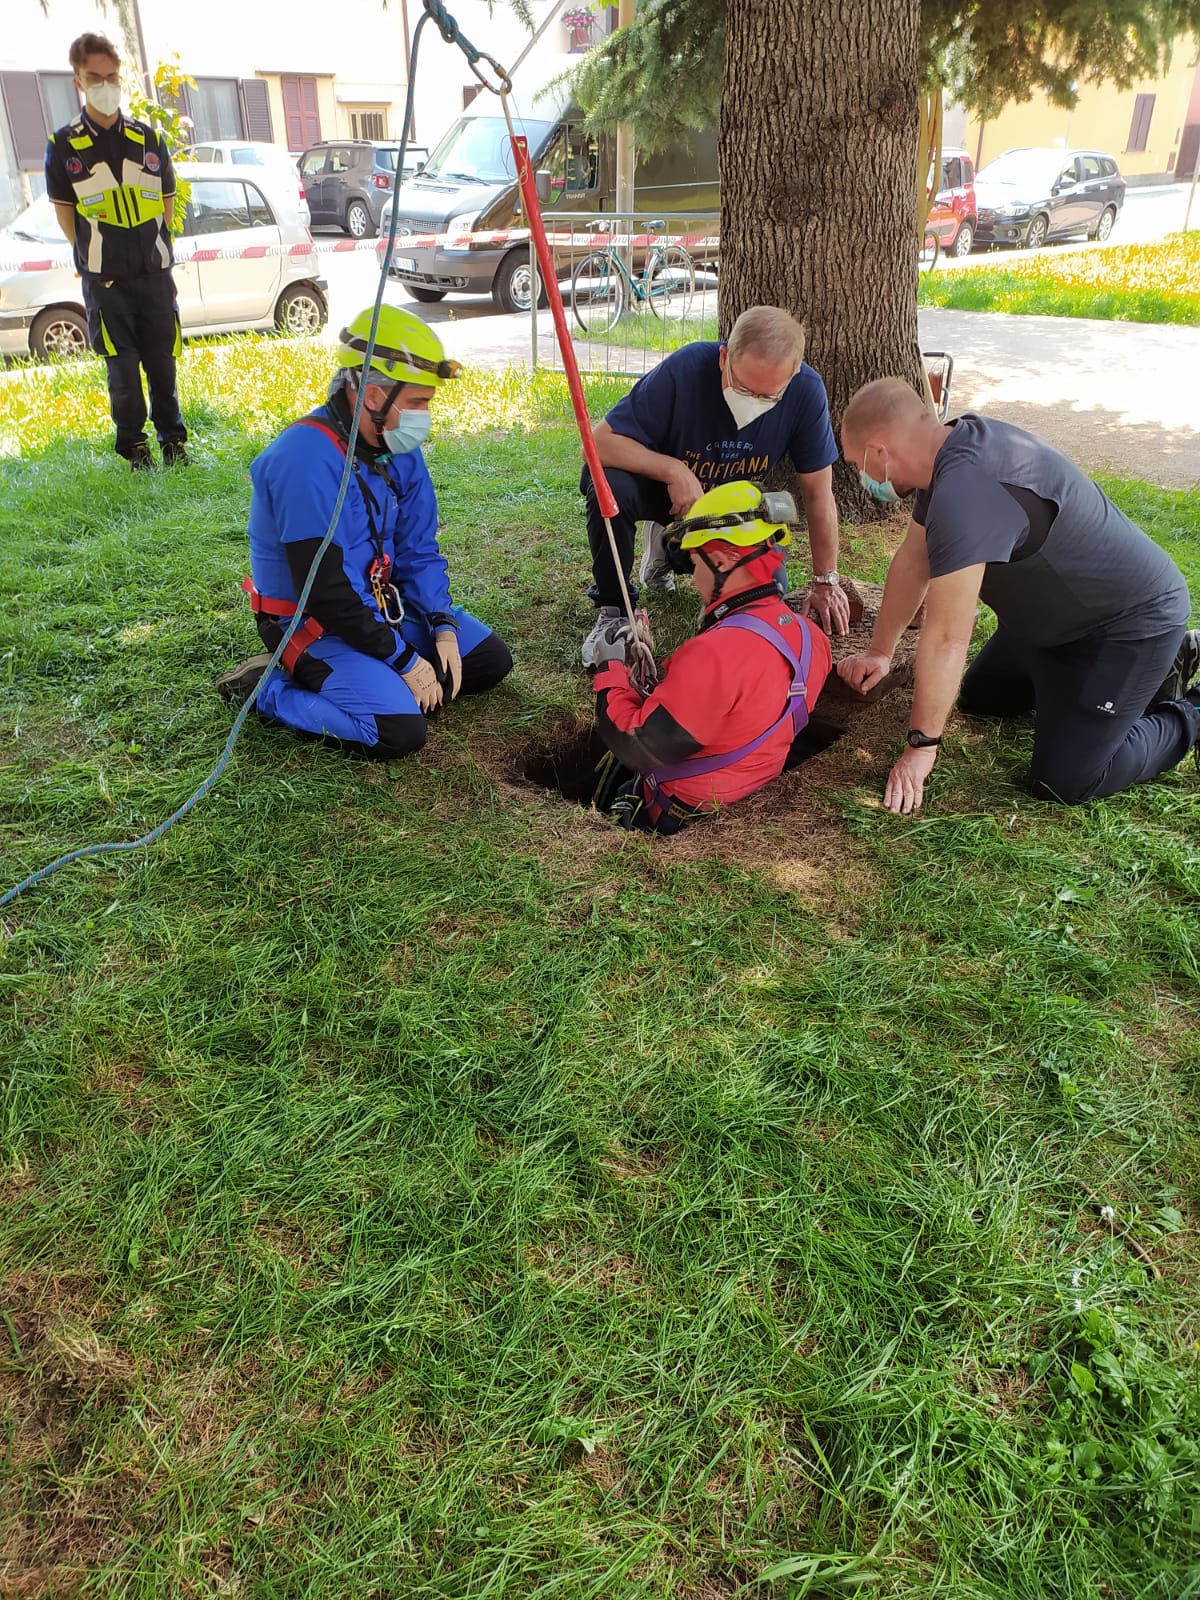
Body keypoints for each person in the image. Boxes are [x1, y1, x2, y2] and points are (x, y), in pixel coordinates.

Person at [837, 378, 1200, 813]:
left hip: (1126, 623)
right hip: (1048, 625)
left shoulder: (967, 492)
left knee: (1066, 780)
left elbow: (948, 637)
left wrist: (921, 748)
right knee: (982, 697)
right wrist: (880, 651)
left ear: (879, 452)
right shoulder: (946, 451)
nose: (861, 477)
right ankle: (1158, 668)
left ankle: (1190, 707)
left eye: (856, 463)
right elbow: (913, 561)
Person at [214, 306, 513, 758]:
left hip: (376, 606)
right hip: (312, 621)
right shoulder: (304, 459)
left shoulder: (395, 446)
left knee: (489, 660)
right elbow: (325, 591)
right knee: (398, 731)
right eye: (418, 403)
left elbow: (419, 550)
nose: (425, 417)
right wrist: (405, 661)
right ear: (373, 395)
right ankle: (268, 688)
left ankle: (376, 670)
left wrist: (442, 622)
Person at [580, 305, 850, 665]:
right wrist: (674, 470)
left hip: (729, 512)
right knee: (607, 485)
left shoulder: (806, 392)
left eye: (769, 397)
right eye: (742, 387)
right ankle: (614, 610)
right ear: (724, 357)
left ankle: (667, 549)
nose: (753, 403)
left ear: (794, 374)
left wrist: (825, 580)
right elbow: (597, 444)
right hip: (667, 494)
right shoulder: (687, 368)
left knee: (769, 594)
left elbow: (819, 494)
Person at [589, 481, 832, 832]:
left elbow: (637, 745)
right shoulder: (811, 639)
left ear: (722, 559)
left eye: (695, 564)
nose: (693, 581)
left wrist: (609, 666)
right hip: (752, 788)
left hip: (678, 812)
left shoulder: (712, 656)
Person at [45, 32, 188, 471]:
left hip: (153, 276)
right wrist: (96, 256)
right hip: (106, 282)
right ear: (78, 81)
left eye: (112, 77)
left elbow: (165, 203)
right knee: (123, 372)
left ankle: (173, 443)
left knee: (162, 365)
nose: (105, 85)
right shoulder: (64, 145)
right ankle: (135, 448)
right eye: (94, 77)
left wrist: (151, 250)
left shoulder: (148, 139)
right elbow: (66, 216)